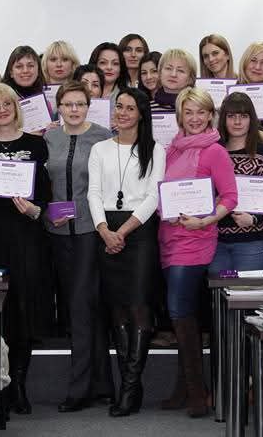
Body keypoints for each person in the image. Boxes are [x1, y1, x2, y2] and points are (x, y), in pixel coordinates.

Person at [0, 83, 53, 418]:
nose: (1, 110)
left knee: (23, 312)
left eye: (7, 104)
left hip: (27, 239)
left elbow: (45, 195)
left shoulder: (36, 144)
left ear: (16, 108)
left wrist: (33, 210)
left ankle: (19, 385)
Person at [159, 87, 237, 418]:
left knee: (179, 311)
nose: (194, 118)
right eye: (188, 112)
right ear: (180, 116)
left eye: (200, 112)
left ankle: (196, 392)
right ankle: (184, 388)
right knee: (183, 313)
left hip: (196, 240)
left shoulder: (215, 151)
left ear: (210, 116)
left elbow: (230, 197)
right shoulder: (171, 150)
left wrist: (205, 220)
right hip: (168, 238)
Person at [88, 87, 165, 416]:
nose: (121, 112)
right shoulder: (99, 149)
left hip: (139, 231)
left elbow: (153, 197)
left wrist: (122, 232)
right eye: (118, 106)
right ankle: (128, 387)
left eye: (129, 108)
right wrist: (104, 230)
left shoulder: (155, 149)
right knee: (116, 308)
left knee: (138, 306)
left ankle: (130, 387)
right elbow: (93, 193)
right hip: (106, 230)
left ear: (141, 114)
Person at [43, 81, 114, 413]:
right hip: (57, 234)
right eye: (68, 104)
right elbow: (41, 184)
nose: (74, 110)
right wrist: (46, 210)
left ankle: (79, 388)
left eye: (80, 104)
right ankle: (102, 384)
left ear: (89, 106)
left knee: (83, 307)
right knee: (82, 308)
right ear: (58, 107)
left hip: (90, 231)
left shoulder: (102, 136)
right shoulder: (48, 138)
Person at [209, 92, 263, 274]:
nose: (237, 122)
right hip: (215, 242)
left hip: (252, 242)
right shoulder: (212, 152)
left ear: (251, 119)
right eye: (231, 116)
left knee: (248, 291)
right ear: (223, 119)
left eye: (243, 116)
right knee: (219, 292)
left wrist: (254, 219)